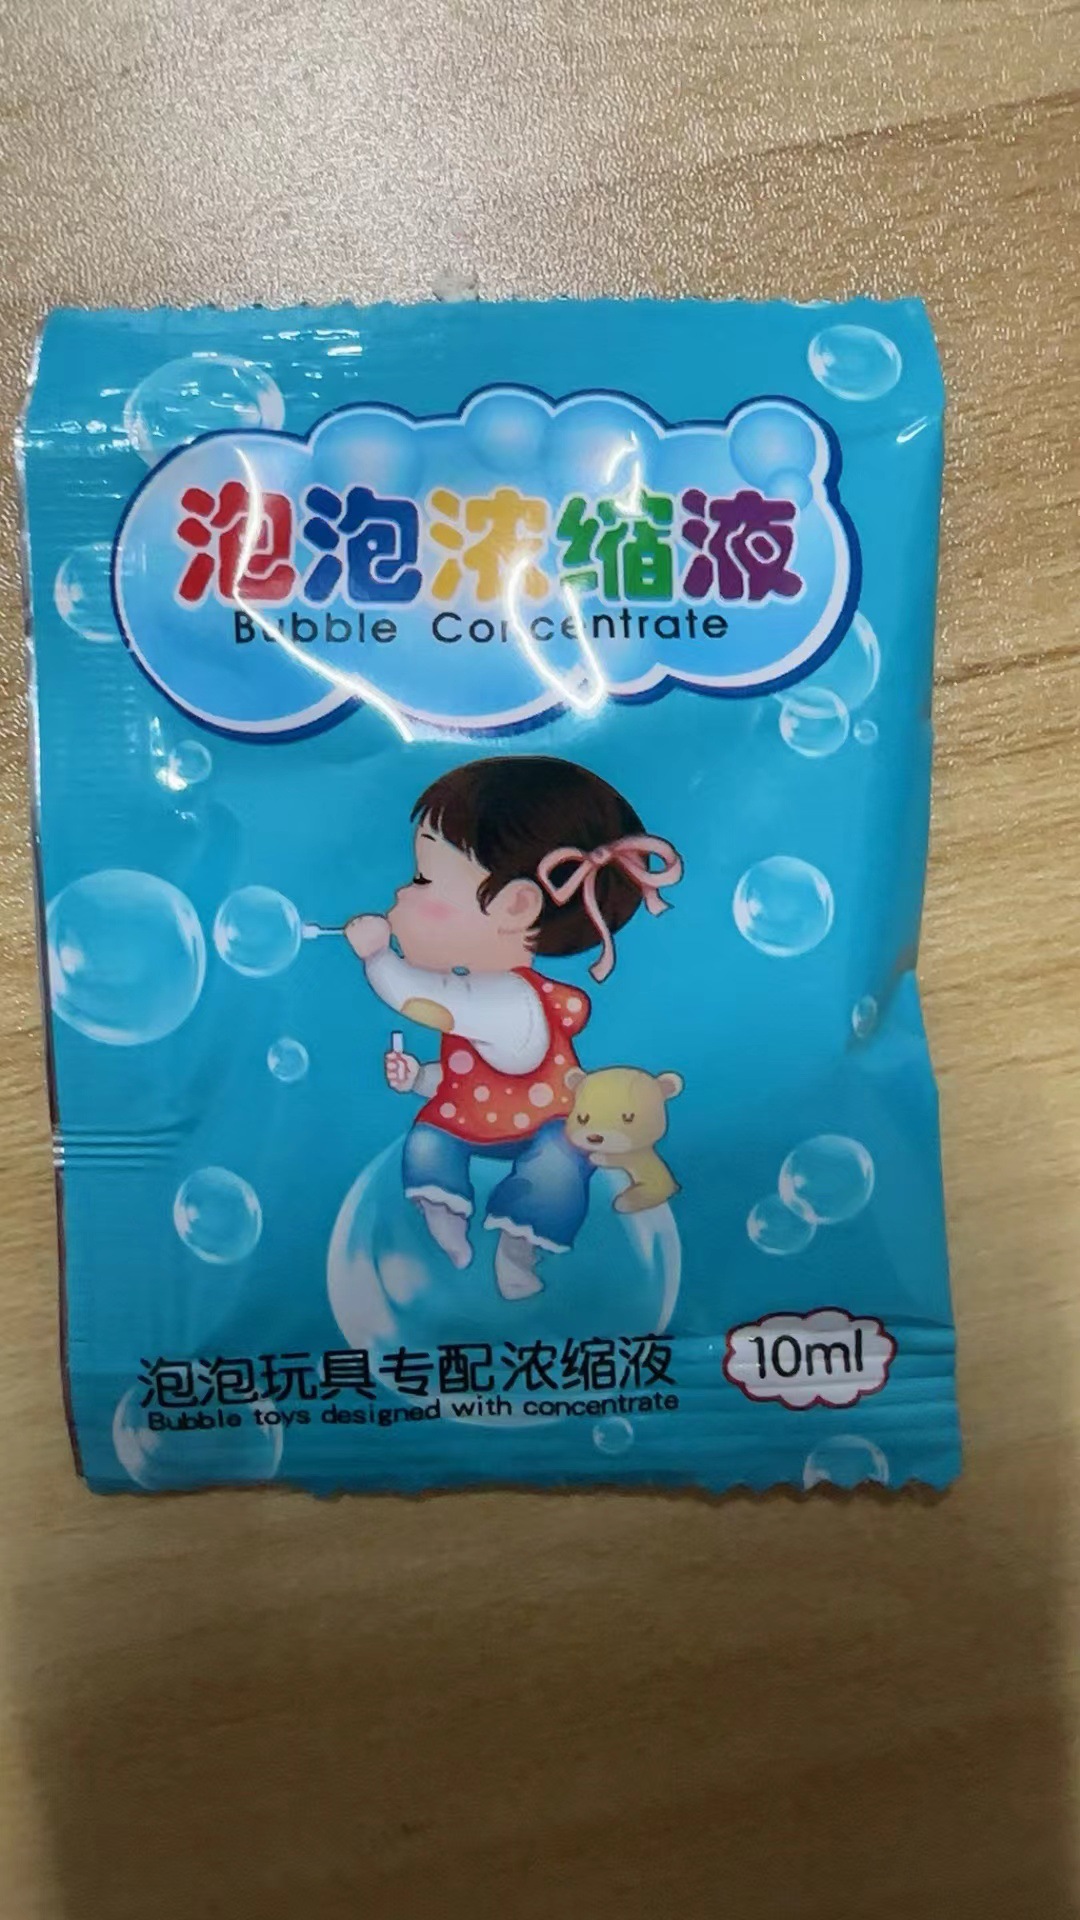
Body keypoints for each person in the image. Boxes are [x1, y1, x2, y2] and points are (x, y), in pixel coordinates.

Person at [346, 755, 682, 1298]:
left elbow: (422, 1000)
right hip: (472, 1116)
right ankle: (445, 1221)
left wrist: (377, 957)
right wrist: (420, 1079)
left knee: (556, 1168)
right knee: (428, 1142)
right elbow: (472, 1074)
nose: (402, 895)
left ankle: (519, 1250)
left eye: (422, 879)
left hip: (545, 1123)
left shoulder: (504, 998)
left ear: (515, 905)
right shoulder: (476, 998)